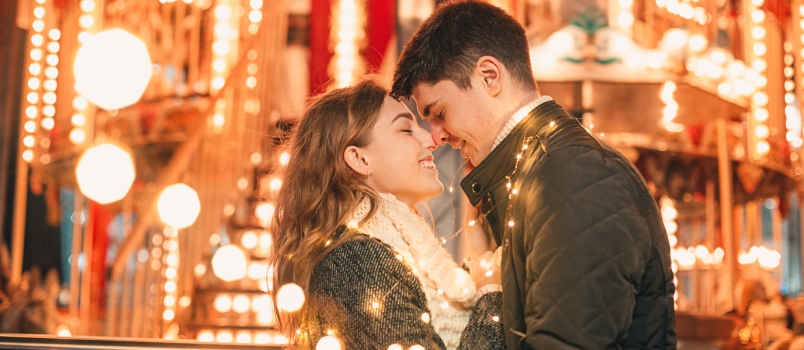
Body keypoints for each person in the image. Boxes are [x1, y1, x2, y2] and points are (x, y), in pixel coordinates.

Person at [390, 1, 677, 348]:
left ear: (489, 76)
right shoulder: (541, 171)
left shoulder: (572, 174)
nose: (437, 136)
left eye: (439, 112)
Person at [271, 79, 506, 349]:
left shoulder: (385, 250)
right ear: (359, 159)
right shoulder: (357, 261)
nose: (430, 139)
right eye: (406, 129)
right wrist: (490, 297)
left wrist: (479, 258)